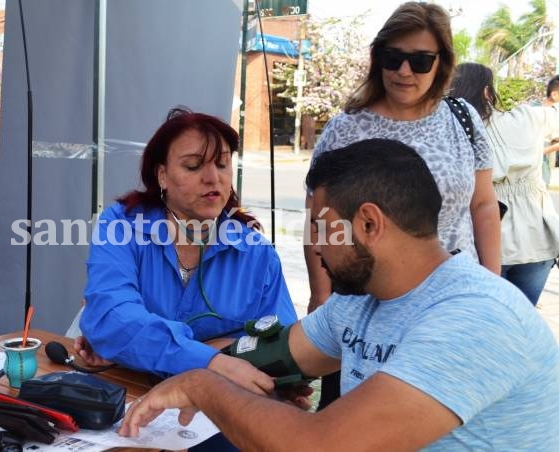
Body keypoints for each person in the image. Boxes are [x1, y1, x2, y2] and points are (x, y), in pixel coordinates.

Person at [120, 139, 559, 450]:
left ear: (369, 224)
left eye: (321, 228)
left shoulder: (475, 319)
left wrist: (201, 385)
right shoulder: (359, 302)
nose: (313, 246)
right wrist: (127, 354)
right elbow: (262, 359)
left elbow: (318, 445)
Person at [303, 1, 501, 410]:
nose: (404, 71)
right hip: (363, 302)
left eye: (420, 60)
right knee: (351, 412)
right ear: (378, 58)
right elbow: (318, 219)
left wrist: (490, 285)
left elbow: (483, 205)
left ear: (442, 63)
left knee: (433, 409)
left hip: (446, 301)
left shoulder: (462, 118)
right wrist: (321, 297)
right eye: (393, 57)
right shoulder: (347, 128)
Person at [78, 107, 298, 384]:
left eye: (222, 164)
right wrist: (216, 357)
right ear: (162, 176)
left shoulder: (256, 252)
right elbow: (112, 319)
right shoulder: (121, 225)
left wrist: (144, 349)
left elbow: (283, 346)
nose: (212, 178)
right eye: (193, 166)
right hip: (129, 394)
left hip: (221, 406)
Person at [449, 63, 559, 305]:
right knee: (521, 323)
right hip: (536, 240)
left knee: (486, 325)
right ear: (489, 92)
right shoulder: (529, 116)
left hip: (484, 242)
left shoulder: (453, 130)